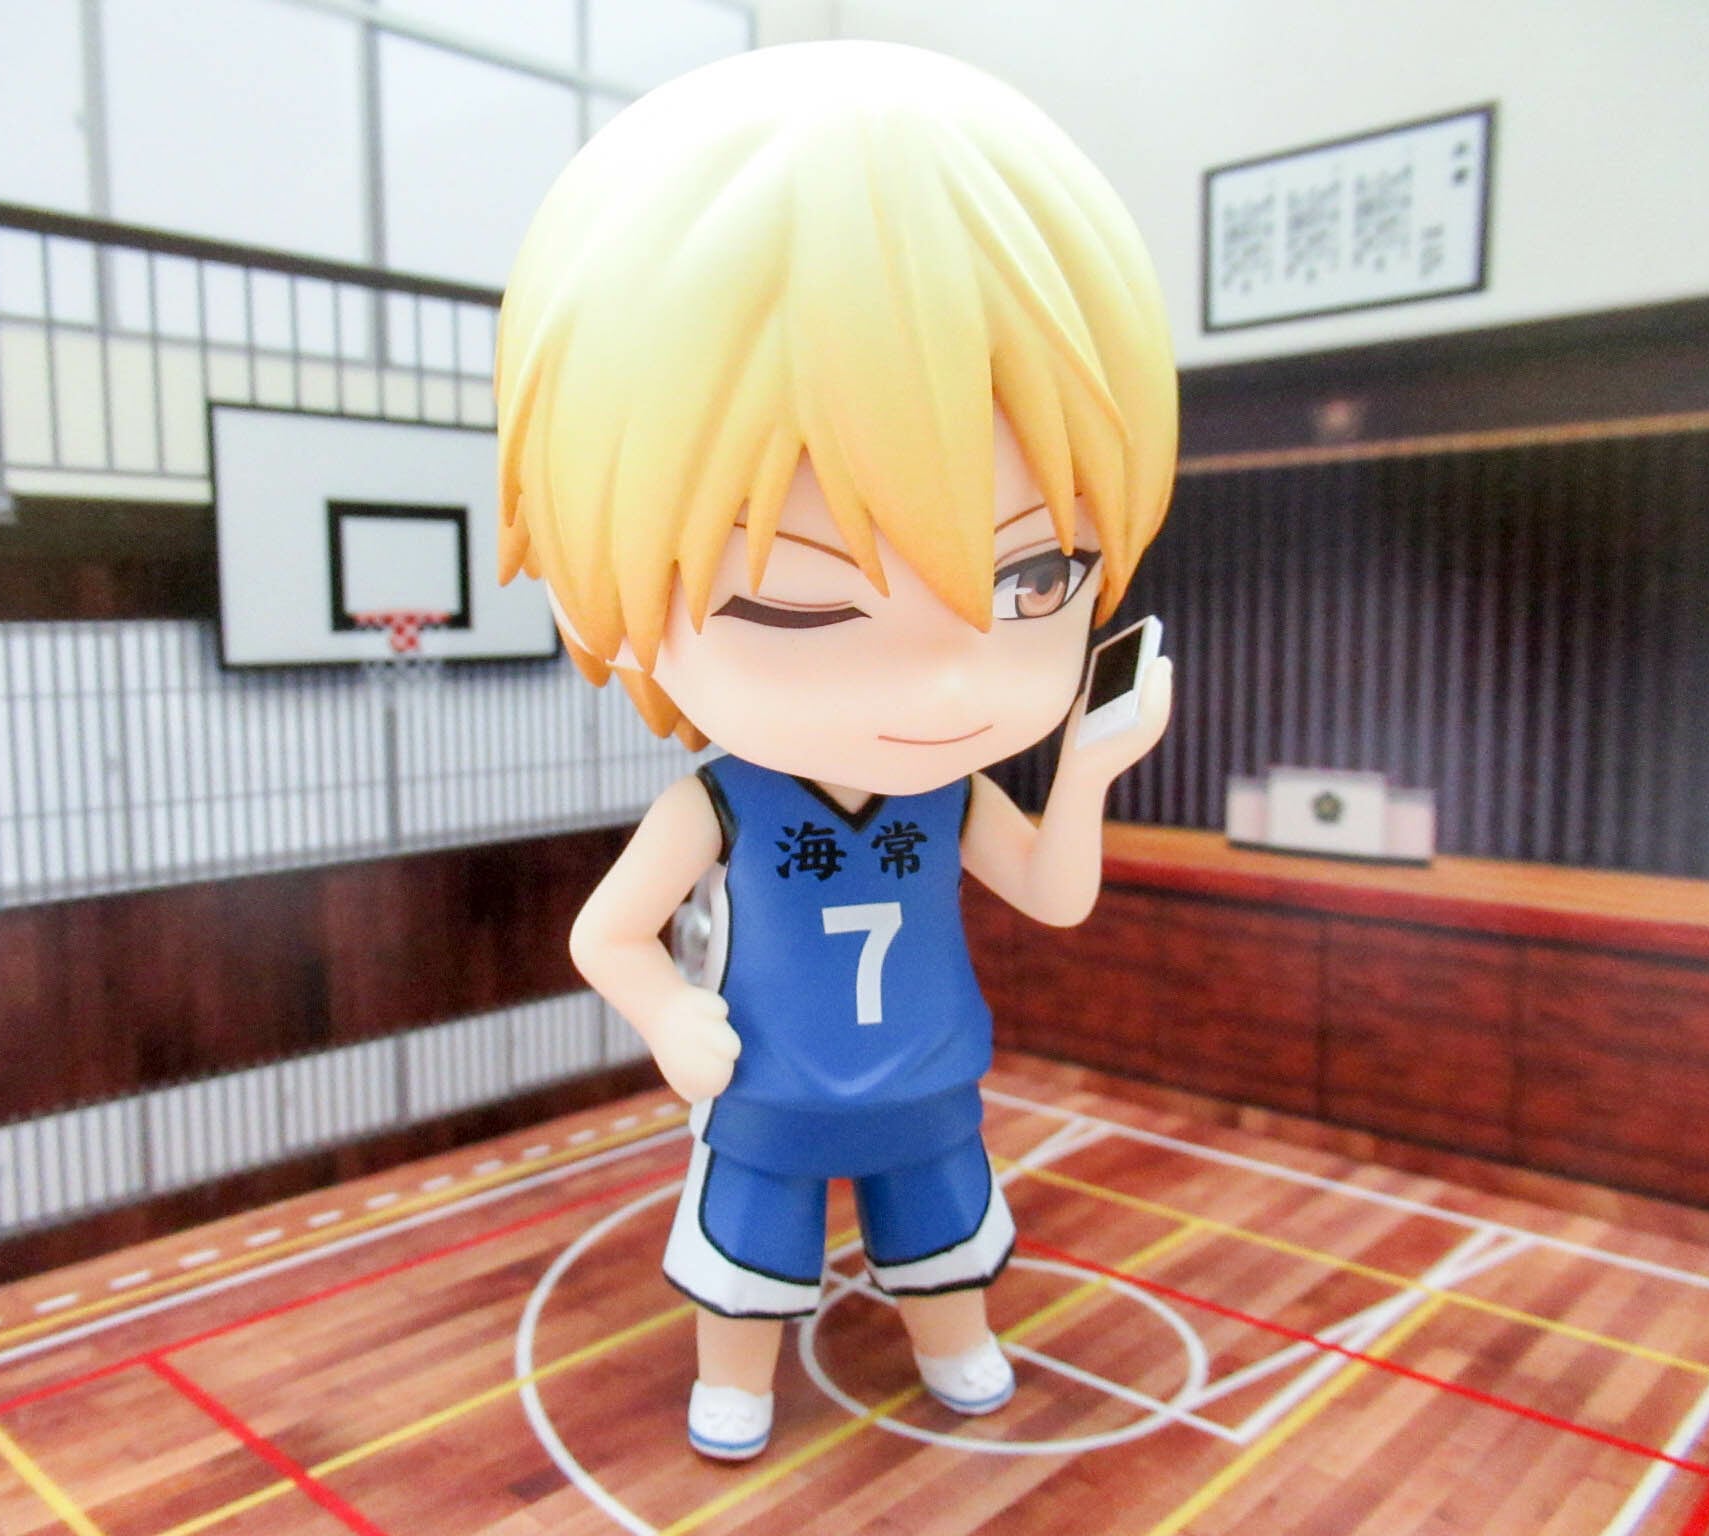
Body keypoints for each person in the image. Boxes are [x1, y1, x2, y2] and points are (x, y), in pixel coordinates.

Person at [495, 39, 1177, 1461]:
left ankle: (955, 1338)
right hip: (769, 1083)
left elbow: (1054, 896)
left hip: (929, 1077)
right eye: (799, 607)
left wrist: (1091, 770)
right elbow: (605, 934)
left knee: (942, 1241)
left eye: (1036, 582)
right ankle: (735, 1377)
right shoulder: (722, 802)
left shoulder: (953, 790)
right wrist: (671, 1016)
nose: (946, 683)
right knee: (750, 1253)